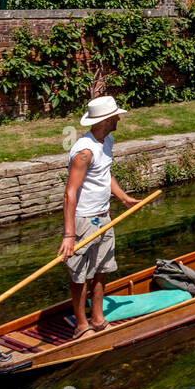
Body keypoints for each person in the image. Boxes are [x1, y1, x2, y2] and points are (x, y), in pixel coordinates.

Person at [59, 96, 141, 339]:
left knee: (101, 270)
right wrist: (69, 235)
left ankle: (98, 318)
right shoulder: (84, 152)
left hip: (104, 216)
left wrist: (123, 197)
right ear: (106, 120)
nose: (119, 118)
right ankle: (82, 325)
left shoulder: (107, 140)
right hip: (84, 221)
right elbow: (69, 194)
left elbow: (105, 175)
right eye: (116, 115)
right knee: (79, 275)